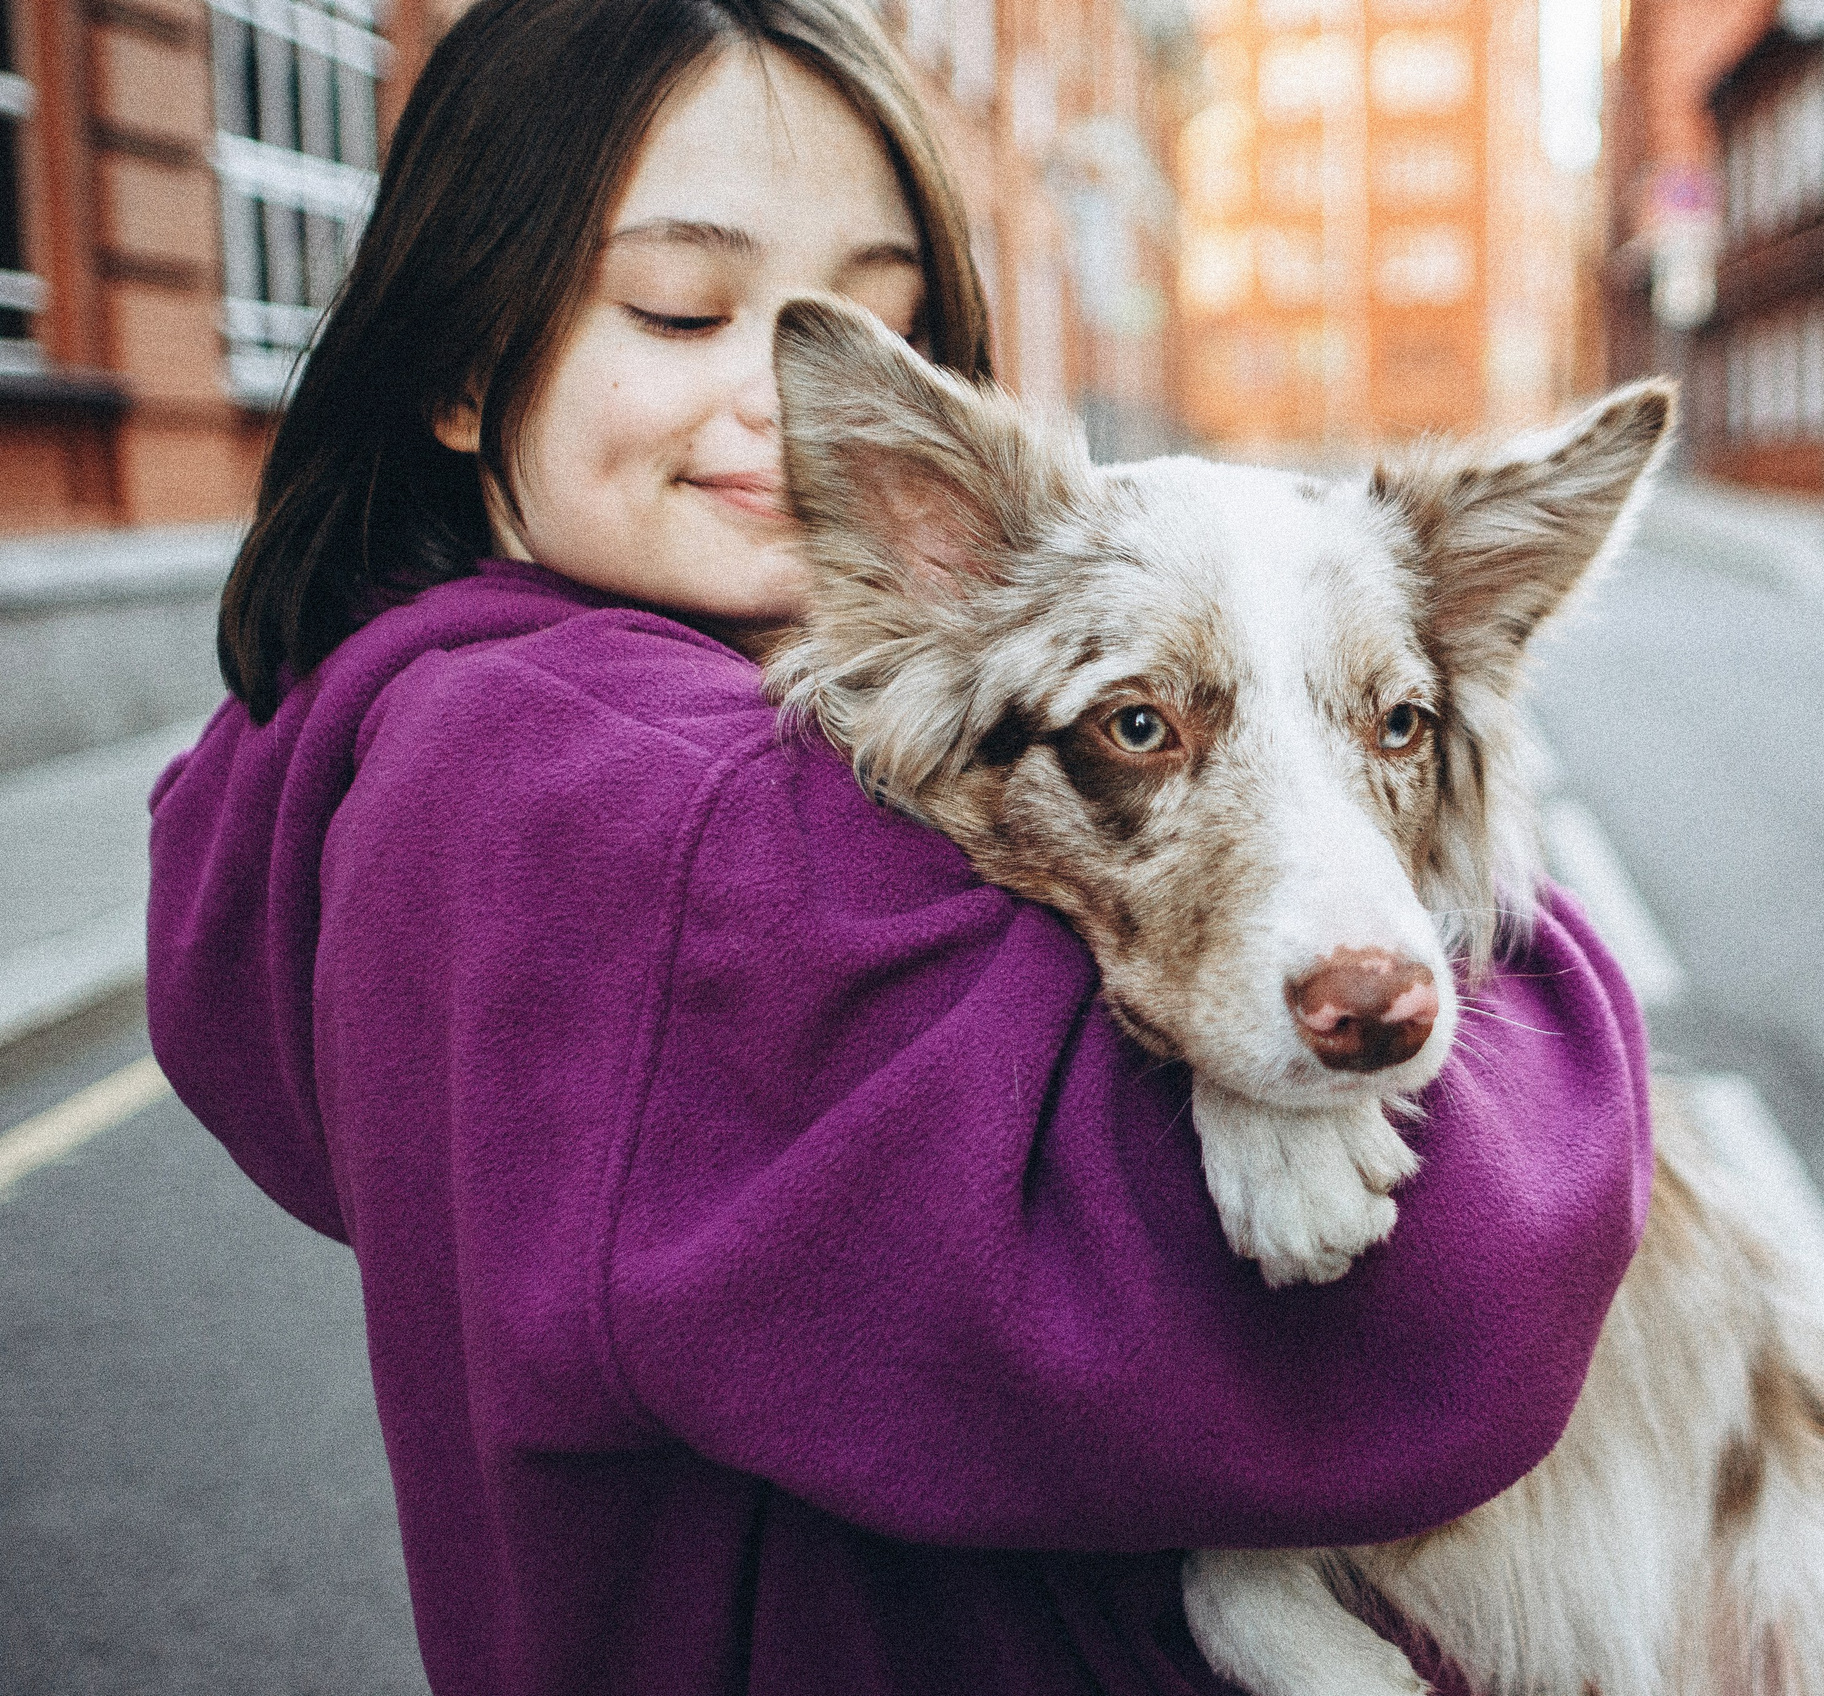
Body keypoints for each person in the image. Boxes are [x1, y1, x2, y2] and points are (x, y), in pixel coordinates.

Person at [144, 0, 1652, 1690]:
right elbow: (1439, 1317)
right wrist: (1522, 972)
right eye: (682, 306)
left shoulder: (418, 724)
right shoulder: (652, 805)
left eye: (878, 322)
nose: (793, 405)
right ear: (461, 358)